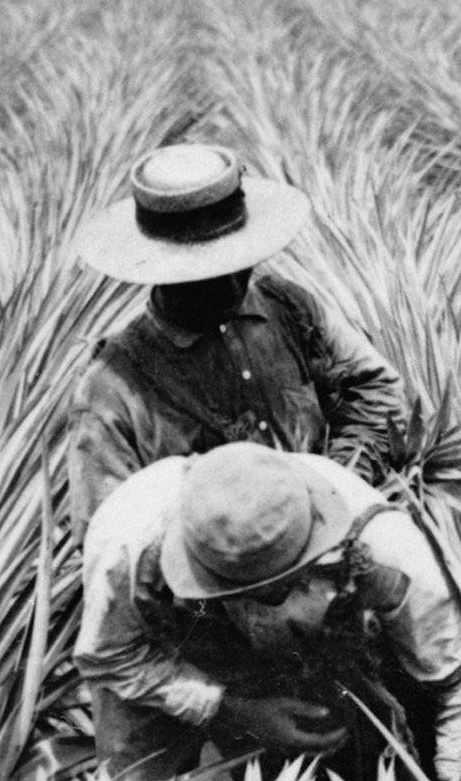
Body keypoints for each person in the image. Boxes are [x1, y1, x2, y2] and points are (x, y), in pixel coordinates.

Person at [76, 441, 461, 781]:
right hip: (173, 643)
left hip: (302, 648)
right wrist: (227, 708)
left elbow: (458, 675)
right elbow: (111, 656)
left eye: (276, 588)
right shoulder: (128, 541)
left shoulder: (382, 545)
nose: (262, 598)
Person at [70, 140, 418, 517]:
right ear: (161, 272)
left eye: (241, 262)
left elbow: (378, 389)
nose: (235, 285)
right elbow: (108, 530)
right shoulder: (111, 388)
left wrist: (336, 483)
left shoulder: (290, 309)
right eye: (207, 275)